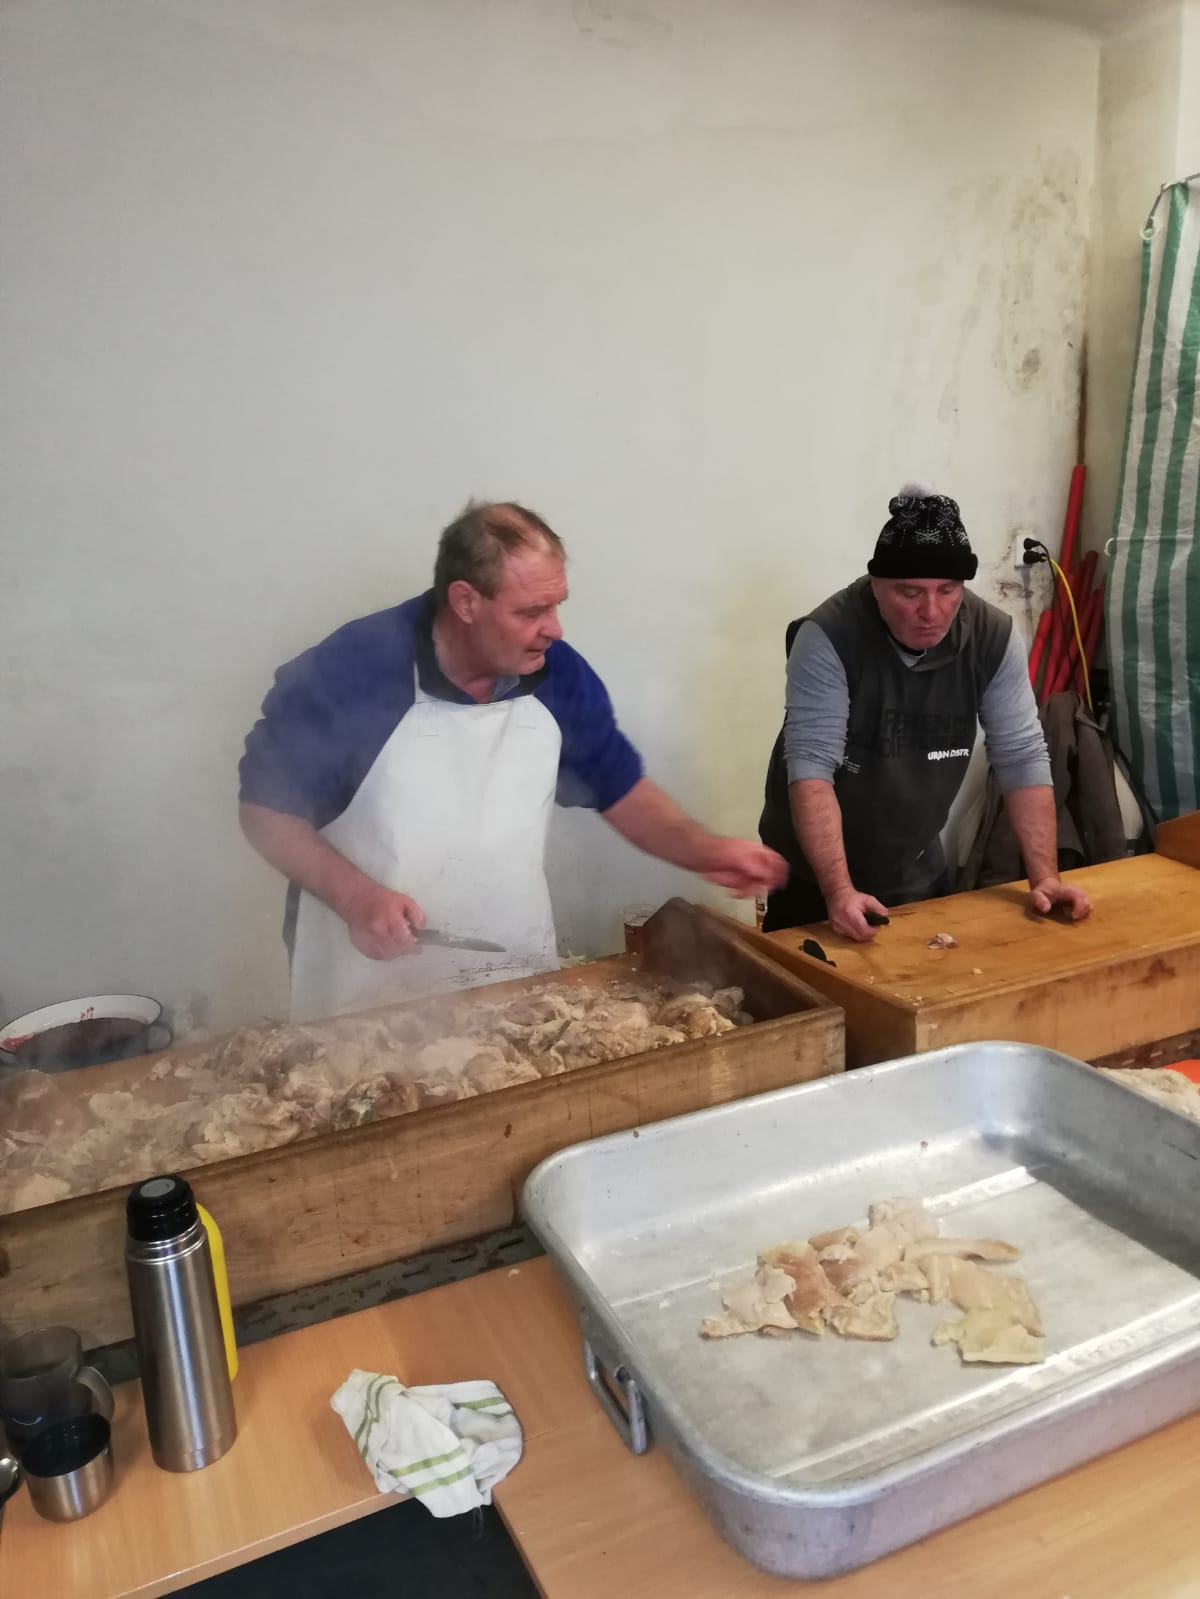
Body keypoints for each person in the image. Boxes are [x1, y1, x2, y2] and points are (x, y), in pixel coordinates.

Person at [240, 500, 785, 1019]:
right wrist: (356, 898)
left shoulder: (558, 673)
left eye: (557, 605)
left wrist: (704, 849)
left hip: (513, 976)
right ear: (466, 602)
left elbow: (620, 789)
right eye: (531, 611)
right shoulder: (354, 670)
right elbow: (264, 811)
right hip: (365, 989)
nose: (555, 628)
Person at [759, 484, 1093, 942]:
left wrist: (1046, 878)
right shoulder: (829, 635)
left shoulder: (991, 637)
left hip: (914, 865)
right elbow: (812, 768)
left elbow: (1022, 756)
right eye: (910, 592)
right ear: (876, 585)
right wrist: (839, 891)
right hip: (813, 878)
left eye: (947, 590)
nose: (931, 611)